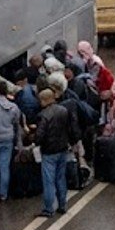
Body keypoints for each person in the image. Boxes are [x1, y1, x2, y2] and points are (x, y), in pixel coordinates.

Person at [34, 88, 71, 218]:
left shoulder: (43, 115)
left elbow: (39, 136)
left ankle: (48, 208)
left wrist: (35, 139)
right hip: (62, 149)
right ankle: (62, 204)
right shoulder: (63, 110)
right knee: (61, 178)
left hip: (49, 151)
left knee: (48, 180)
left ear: (45, 100)